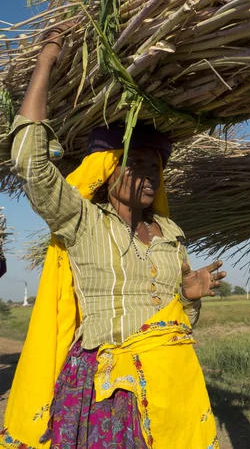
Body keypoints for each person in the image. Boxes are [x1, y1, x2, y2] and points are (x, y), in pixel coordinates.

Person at [1, 26, 225, 449]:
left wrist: (190, 296)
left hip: (172, 383)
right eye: (137, 163)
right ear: (108, 169)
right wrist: (47, 59)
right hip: (109, 392)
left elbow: (178, 323)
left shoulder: (170, 233)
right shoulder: (85, 221)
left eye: (155, 167)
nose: (149, 174)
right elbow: (29, 163)